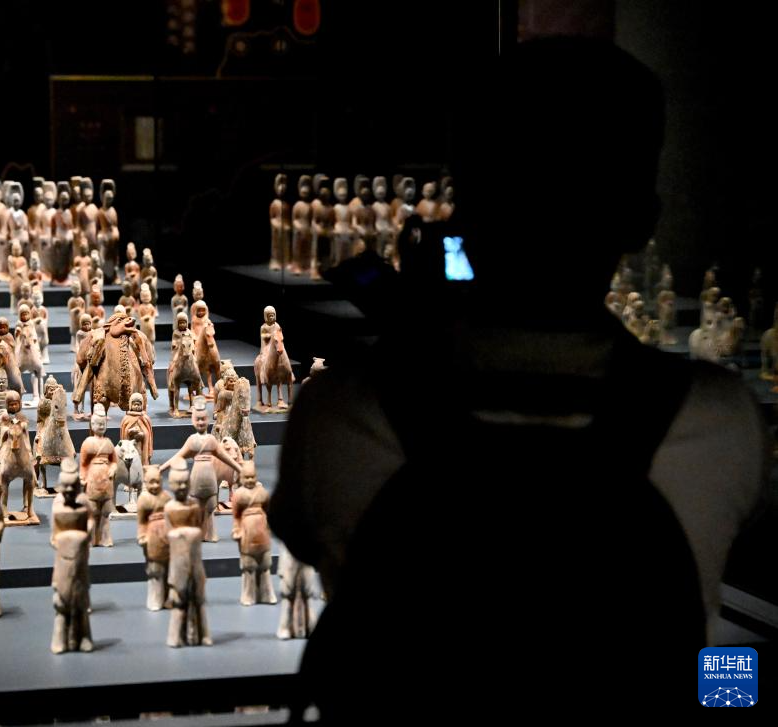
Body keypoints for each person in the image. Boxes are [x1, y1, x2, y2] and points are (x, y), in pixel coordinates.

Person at [270, 37, 769, 720]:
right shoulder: (721, 420)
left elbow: (305, 536)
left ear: (461, 210)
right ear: (641, 223)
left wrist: (417, 334)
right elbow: (715, 648)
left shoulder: (340, 413)